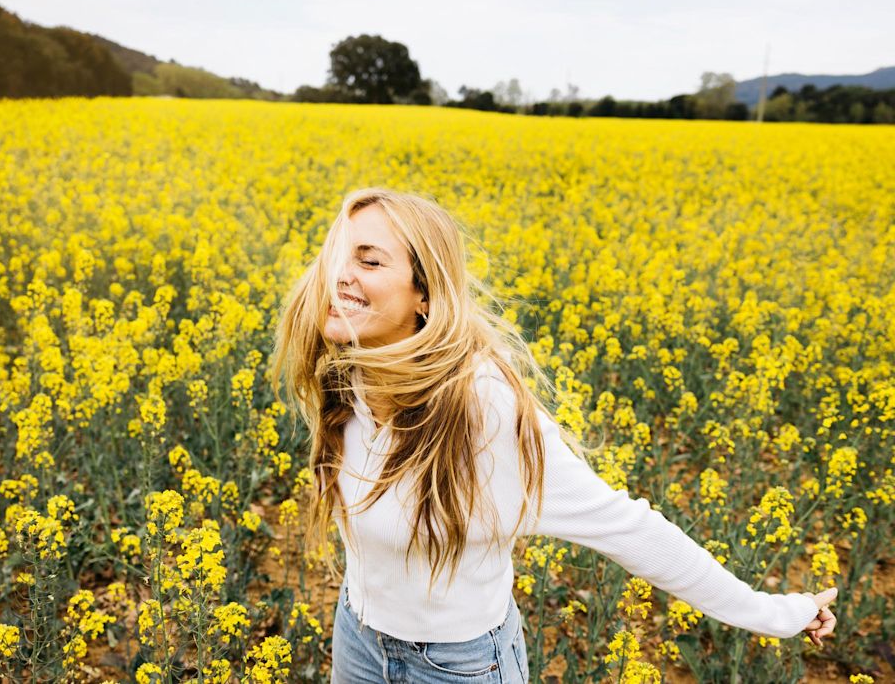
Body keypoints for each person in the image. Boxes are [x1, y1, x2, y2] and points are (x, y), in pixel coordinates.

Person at [270, 187, 837, 683]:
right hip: (357, 638)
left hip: (456, 667)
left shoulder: (483, 408)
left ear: (425, 295)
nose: (339, 275)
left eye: (369, 262)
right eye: (337, 257)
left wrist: (772, 613)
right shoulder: (345, 377)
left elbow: (625, 527)